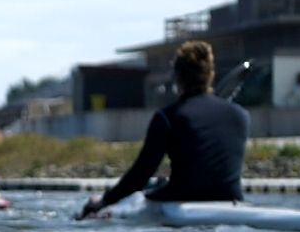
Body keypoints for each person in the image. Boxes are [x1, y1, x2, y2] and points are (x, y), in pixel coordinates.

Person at [80, 39, 248, 219]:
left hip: (181, 199)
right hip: (231, 200)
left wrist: (105, 200)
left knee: (93, 211)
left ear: (177, 77)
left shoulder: (168, 117)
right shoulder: (240, 115)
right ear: (210, 75)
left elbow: (141, 175)